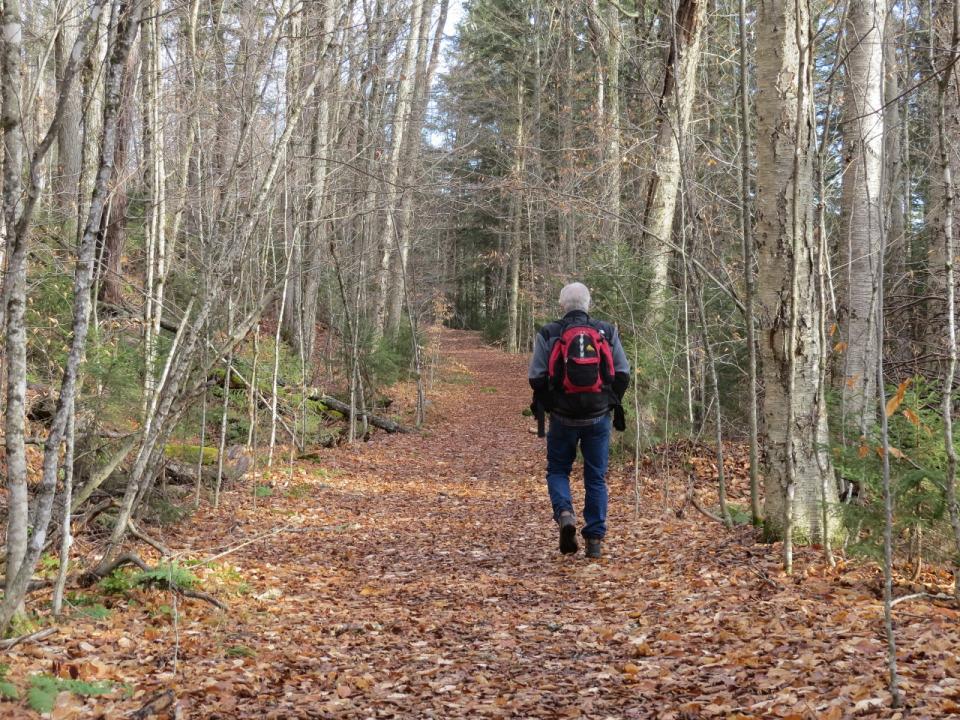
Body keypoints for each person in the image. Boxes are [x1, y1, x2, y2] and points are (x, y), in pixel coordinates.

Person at [528, 282, 630, 558]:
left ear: (562, 305)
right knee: (595, 477)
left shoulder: (549, 333)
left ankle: (564, 514)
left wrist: (551, 405)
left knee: (558, 471)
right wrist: (608, 402)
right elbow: (622, 374)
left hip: (563, 418)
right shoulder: (607, 331)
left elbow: (536, 377)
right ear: (588, 304)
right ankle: (594, 541)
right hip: (598, 418)